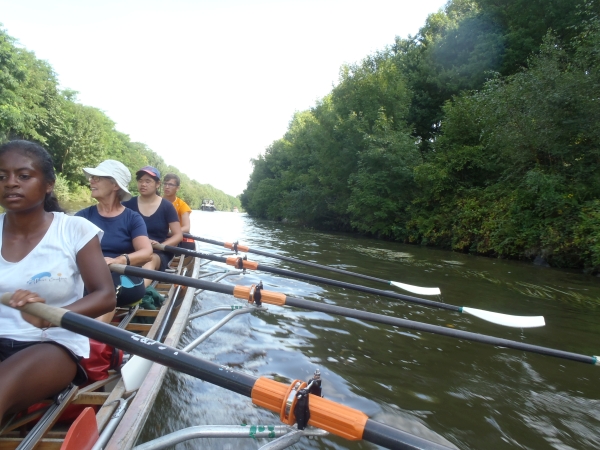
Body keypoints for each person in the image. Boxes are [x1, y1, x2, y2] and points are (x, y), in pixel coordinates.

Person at [0, 140, 115, 419]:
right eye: (2, 177)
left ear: (48, 184)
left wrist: (52, 315)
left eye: (24, 176)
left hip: (51, 344)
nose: (11, 183)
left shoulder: (74, 229)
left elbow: (105, 296)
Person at [75, 160, 153, 317]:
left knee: (106, 285)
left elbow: (146, 253)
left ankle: (91, 338)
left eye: (98, 178)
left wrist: (118, 260)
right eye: (92, 177)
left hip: (123, 277)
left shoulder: (132, 218)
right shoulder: (82, 216)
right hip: (89, 275)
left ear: (115, 185)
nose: (91, 180)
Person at [122, 166, 182, 285]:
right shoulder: (127, 204)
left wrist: (161, 245)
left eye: (148, 181)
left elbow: (178, 235)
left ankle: (137, 291)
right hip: (133, 249)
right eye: (140, 181)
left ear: (157, 184)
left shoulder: (167, 206)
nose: (143, 184)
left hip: (157, 252)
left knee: (150, 259)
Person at [162, 173, 195, 250]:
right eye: (165, 184)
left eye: (170, 185)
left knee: (189, 244)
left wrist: (171, 232)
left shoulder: (182, 205)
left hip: (173, 236)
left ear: (177, 188)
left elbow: (186, 228)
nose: (167, 187)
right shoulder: (155, 201)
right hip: (158, 235)